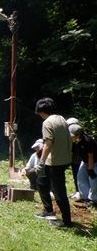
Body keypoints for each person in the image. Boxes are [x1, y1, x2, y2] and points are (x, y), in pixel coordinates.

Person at [34, 97, 72, 227]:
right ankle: (48, 211)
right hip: (63, 159)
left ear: (41, 111)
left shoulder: (47, 123)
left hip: (55, 162)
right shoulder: (61, 119)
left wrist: (41, 162)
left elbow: (48, 144)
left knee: (59, 192)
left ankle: (67, 222)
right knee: (41, 182)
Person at [69, 124, 97, 206]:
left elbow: (90, 156)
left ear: (78, 135)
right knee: (80, 177)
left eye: (72, 136)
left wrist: (90, 169)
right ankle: (84, 196)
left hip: (94, 161)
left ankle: (93, 200)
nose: (70, 137)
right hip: (85, 161)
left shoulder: (88, 141)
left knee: (93, 180)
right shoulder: (75, 141)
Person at [66, 117, 82, 199]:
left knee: (79, 175)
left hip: (78, 158)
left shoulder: (80, 136)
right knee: (76, 174)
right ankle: (78, 191)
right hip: (73, 157)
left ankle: (80, 192)